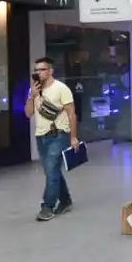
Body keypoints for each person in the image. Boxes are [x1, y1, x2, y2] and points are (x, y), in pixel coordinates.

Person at [26, 57, 79, 221]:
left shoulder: (61, 89)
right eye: (36, 70)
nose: (38, 73)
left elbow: (71, 114)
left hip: (59, 134)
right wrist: (32, 96)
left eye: (42, 70)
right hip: (41, 137)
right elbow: (28, 113)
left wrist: (74, 137)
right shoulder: (34, 90)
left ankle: (47, 206)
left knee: (51, 171)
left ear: (50, 71)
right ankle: (65, 199)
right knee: (52, 171)